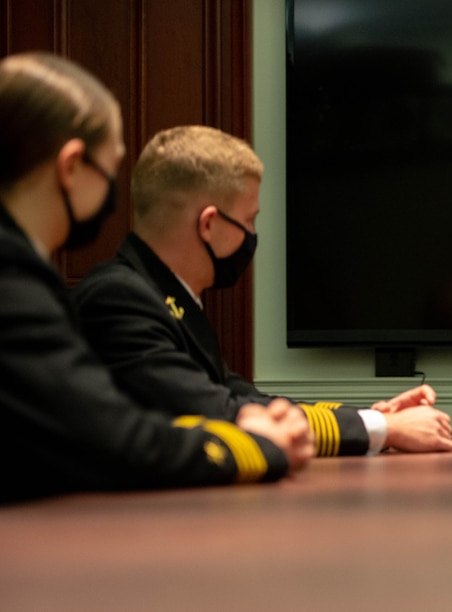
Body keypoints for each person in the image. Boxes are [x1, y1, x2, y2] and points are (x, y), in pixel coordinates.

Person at [0, 52, 313, 502]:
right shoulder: (13, 277)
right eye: (109, 170)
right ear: (71, 166)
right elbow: (115, 439)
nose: (113, 193)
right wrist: (263, 449)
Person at [71, 125, 452, 456]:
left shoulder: (163, 294)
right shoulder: (119, 300)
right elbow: (218, 411)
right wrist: (386, 430)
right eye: (248, 221)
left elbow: (245, 398)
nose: (252, 237)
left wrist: (372, 417)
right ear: (209, 224)